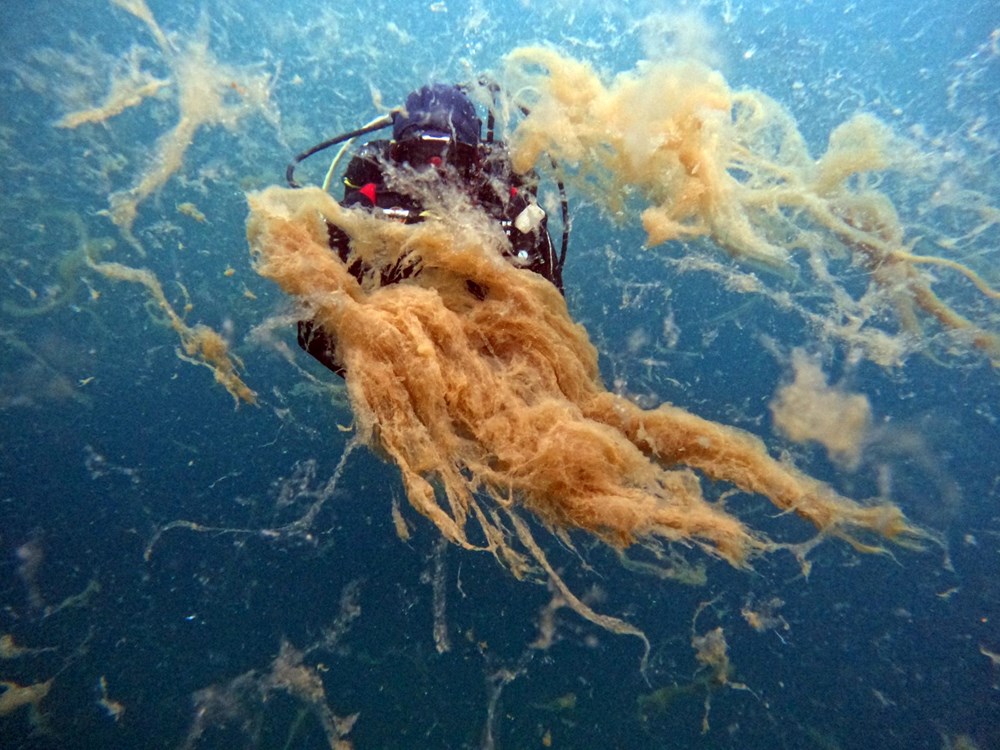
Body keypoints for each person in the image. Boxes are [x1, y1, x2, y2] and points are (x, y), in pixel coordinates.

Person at [290, 84, 566, 377]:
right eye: (418, 156)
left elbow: (550, 327)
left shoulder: (509, 211)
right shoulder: (361, 209)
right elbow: (314, 332)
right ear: (395, 158)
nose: (435, 172)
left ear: (476, 163)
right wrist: (391, 372)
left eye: (453, 158)